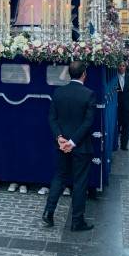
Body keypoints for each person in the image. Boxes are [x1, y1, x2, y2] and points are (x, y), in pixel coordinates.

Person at [42, 61, 97, 232]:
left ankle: (48, 213)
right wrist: (72, 142)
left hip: (61, 145)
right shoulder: (89, 94)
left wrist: (60, 138)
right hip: (80, 147)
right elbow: (88, 123)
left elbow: (52, 118)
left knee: (59, 177)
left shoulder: (58, 92)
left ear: (68, 74)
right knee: (80, 183)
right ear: (84, 74)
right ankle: (77, 221)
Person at [116, 61, 129, 150]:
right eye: (120, 66)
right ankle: (115, 144)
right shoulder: (114, 78)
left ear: (125, 67)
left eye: (123, 66)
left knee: (126, 125)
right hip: (117, 105)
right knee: (117, 124)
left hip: (127, 105)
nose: (121, 67)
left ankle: (124, 145)